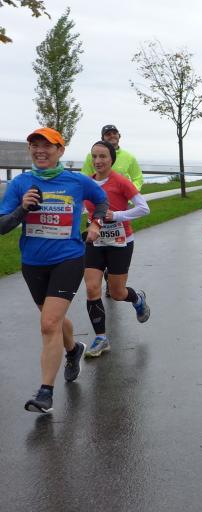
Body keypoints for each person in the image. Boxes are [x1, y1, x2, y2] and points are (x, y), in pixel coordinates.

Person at [0, 127, 108, 414]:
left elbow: (101, 200)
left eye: (47, 146)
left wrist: (96, 223)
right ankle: (73, 350)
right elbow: (2, 226)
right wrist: (22, 209)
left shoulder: (76, 181)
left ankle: (45, 393)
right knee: (54, 320)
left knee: (49, 323)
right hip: (33, 263)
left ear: (60, 150)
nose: (40, 151)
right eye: (35, 146)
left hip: (68, 259)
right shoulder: (20, 184)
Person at [83, 141, 152, 358]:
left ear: (111, 159)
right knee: (92, 288)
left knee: (117, 293)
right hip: (96, 242)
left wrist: (117, 215)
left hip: (121, 243)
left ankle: (137, 299)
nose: (98, 161)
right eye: (94, 156)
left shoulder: (121, 182)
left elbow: (144, 209)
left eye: (103, 156)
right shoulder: (87, 183)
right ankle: (101, 338)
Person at [81, 125, 144, 191]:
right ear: (102, 138)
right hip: (97, 195)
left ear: (119, 136)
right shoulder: (91, 156)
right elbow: (84, 177)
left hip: (122, 196)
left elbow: (138, 178)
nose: (112, 136)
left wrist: (129, 192)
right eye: (108, 134)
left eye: (114, 133)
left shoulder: (129, 157)